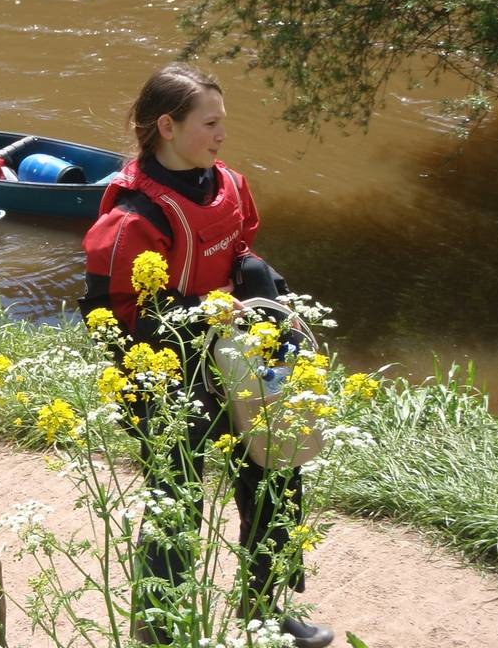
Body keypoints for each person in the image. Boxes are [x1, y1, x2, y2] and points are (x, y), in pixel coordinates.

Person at [80, 63, 334, 648]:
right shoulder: (132, 219)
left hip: (238, 356)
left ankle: (264, 609)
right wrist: (204, 319)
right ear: (167, 126)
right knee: (177, 498)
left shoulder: (231, 185)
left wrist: (271, 308)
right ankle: (161, 629)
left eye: (224, 122)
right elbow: (110, 317)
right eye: (210, 123)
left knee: (278, 472)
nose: (222, 135)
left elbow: (241, 253)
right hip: (164, 368)